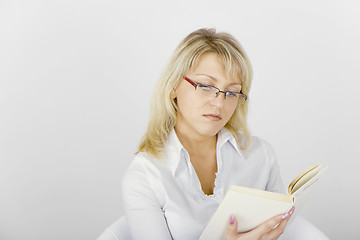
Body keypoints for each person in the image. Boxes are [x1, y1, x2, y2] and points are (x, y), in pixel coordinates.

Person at [121, 28, 296, 240]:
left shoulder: (261, 155)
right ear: (173, 86)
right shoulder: (145, 176)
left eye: (231, 92)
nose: (219, 102)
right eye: (205, 85)